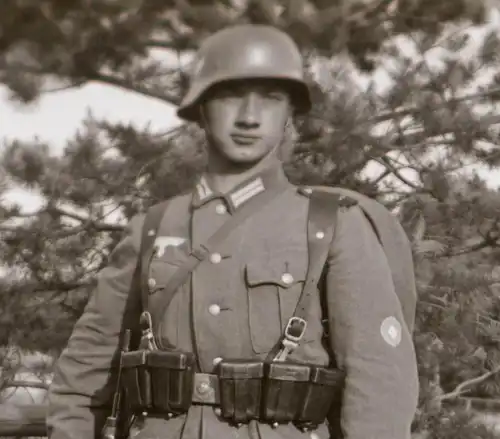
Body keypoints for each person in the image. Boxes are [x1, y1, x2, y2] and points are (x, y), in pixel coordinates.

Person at [47, 24, 419, 439]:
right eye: (229, 96)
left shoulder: (331, 225)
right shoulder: (151, 230)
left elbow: (378, 383)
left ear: (289, 116)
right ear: (202, 109)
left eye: (271, 99)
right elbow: (84, 373)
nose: (249, 116)